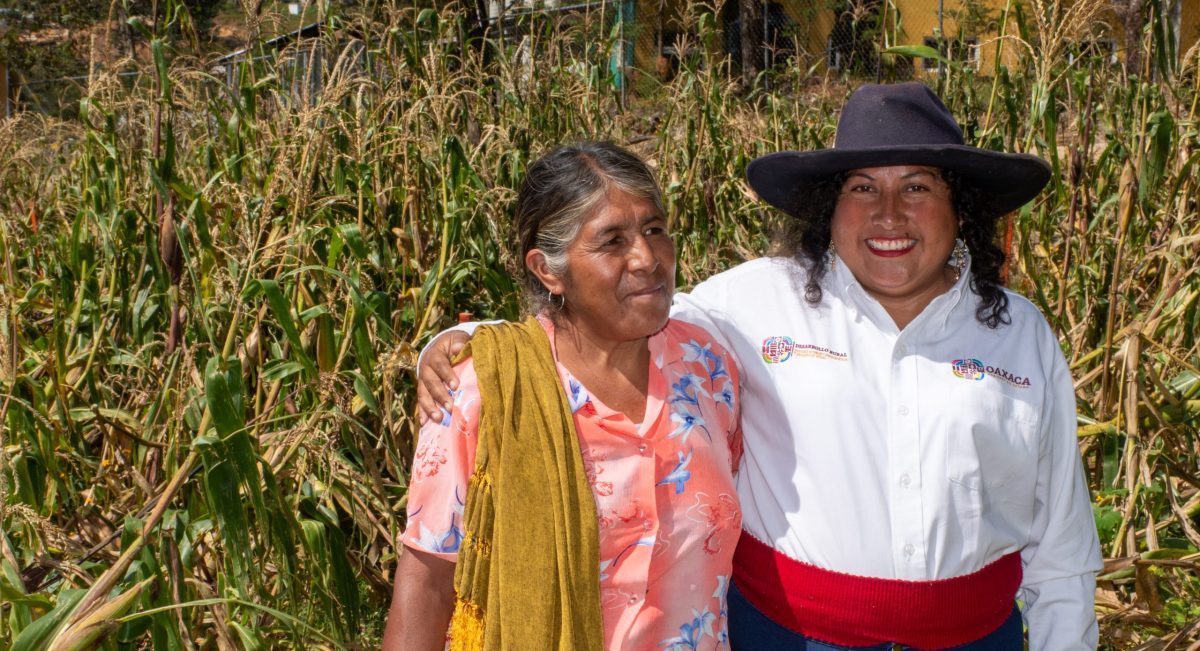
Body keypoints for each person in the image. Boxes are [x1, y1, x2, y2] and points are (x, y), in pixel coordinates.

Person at [415, 83, 1102, 650]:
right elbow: (617, 309)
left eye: (917, 186)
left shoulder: (1021, 335)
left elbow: (1062, 549)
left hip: (974, 640)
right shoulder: (756, 301)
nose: (889, 214)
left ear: (962, 207)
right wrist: (467, 343)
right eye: (863, 187)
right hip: (788, 637)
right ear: (830, 206)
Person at [381, 142, 743, 651]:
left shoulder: (708, 369)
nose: (647, 258)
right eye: (612, 241)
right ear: (548, 270)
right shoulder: (483, 393)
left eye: (655, 229)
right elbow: (428, 581)